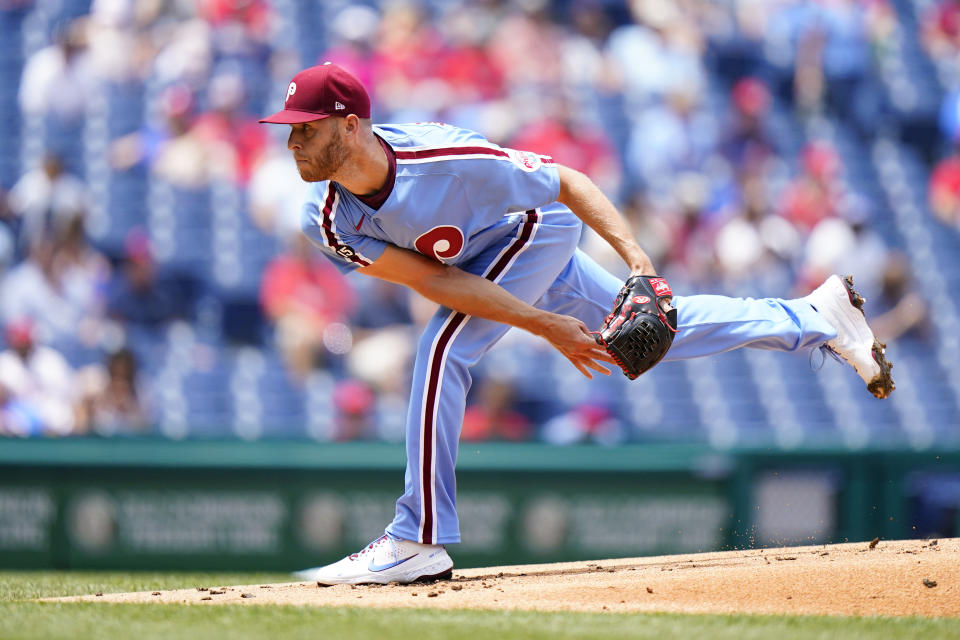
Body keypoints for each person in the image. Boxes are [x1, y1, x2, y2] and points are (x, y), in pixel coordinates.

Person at [258, 63, 895, 585]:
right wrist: (544, 322)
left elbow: (568, 183)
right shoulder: (326, 217)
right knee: (639, 343)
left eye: (304, 130)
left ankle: (417, 537)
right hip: (487, 264)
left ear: (348, 124)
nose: (292, 144)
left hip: (534, 230)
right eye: (288, 131)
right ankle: (813, 315)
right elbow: (435, 280)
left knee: (440, 355)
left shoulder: (444, 155)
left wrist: (641, 264)